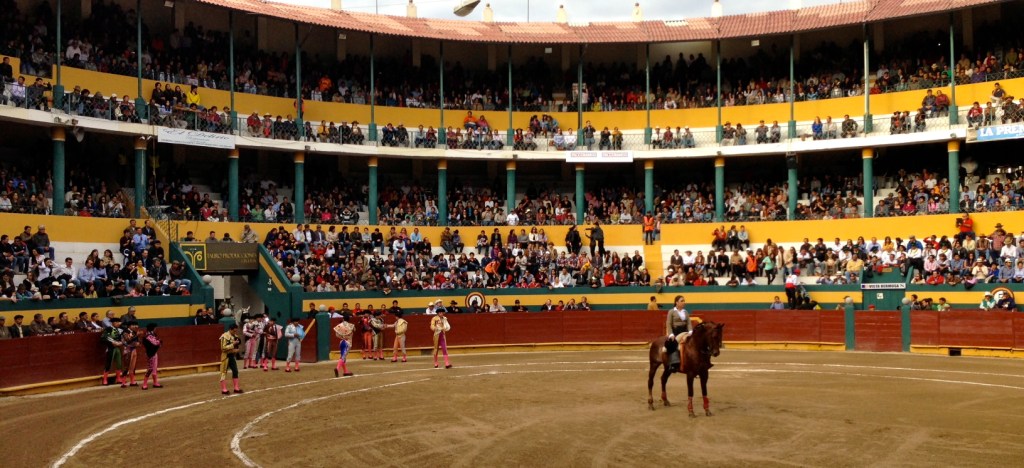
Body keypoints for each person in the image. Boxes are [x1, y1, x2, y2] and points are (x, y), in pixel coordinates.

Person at [664, 295, 693, 373]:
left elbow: (689, 323)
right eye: (682, 301)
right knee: (673, 344)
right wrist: (671, 334)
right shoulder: (671, 311)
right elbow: (668, 323)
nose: (684, 302)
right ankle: (673, 364)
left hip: (685, 331)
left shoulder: (685, 312)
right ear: (676, 302)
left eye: (684, 300)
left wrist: (690, 331)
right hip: (675, 332)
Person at [219, 324, 243, 395]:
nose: (235, 332)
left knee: (235, 371)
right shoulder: (224, 336)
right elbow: (223, 348)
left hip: (232, 356)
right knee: (223, 372)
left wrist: (235, 350)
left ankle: (236, 388)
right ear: (230, 329)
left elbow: (237, 346)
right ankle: (224, 389)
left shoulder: (235, 336)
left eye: (236, 331)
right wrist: (233, 344)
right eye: (234, 331)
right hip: (225, 356)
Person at [101, 316, 124, 385]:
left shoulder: (120, 330)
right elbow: (104, 337)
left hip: (117, 348)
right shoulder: (108, 329)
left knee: (119, 363)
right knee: (109, 363)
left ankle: (118, 378)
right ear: (113, 323)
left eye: (118, 322)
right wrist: (113, 342)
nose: (118, 323)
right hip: (110, 348)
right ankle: (105, 379)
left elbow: (123, 338)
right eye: (116, 322)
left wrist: (121, 342)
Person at [141, 323, 163, 390]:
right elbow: (156, 343)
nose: (156, 329)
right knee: (150, 368)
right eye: (155, 328)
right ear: (153, 328)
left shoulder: (151, 335)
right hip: (150, 353)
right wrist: (159, 342)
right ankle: (144, 384)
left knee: (154, 369)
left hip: (154, 353)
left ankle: (155, 383)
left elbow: (158, 343)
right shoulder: (148, 336)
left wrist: (159, 342)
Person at [120, 322, 141, 388]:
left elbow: (137, 341)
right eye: (133, 325)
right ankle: (123, 382)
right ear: (129, 326)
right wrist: (137, 335)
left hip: (134, 349)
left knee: (133, 366)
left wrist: (138, 343)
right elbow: (128, 340)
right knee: (126, 366)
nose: (135, 326)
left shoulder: (134, 332)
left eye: (136, 325)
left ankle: (132, 381)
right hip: (127, 350)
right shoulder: (125, 332)